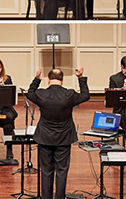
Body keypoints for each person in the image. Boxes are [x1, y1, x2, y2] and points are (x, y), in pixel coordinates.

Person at [27, 67, 89, 199]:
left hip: (44, 137)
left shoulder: (41, 94)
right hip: (64, 138)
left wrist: (36, 80)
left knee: (46, 171)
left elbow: (30, 93)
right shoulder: (69, 94)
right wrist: (80, 78)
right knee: (61, 171)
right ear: (62, 80)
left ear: (48, 80)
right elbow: (85, 95)